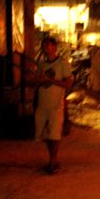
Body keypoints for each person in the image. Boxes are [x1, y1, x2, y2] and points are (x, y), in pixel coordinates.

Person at [30, 37, 72, 174]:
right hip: (42, 104)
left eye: (48, 45)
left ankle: (53, 161)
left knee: (54, 134)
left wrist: (51, 80)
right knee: (45, 134)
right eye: (44, 45)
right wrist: (37, 81)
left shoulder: (63, 64)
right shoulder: (41, 65)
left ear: (55, 47)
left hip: (56, 104)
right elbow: (36, 83)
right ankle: (52, 158)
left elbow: (67, 84)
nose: (46, 48)